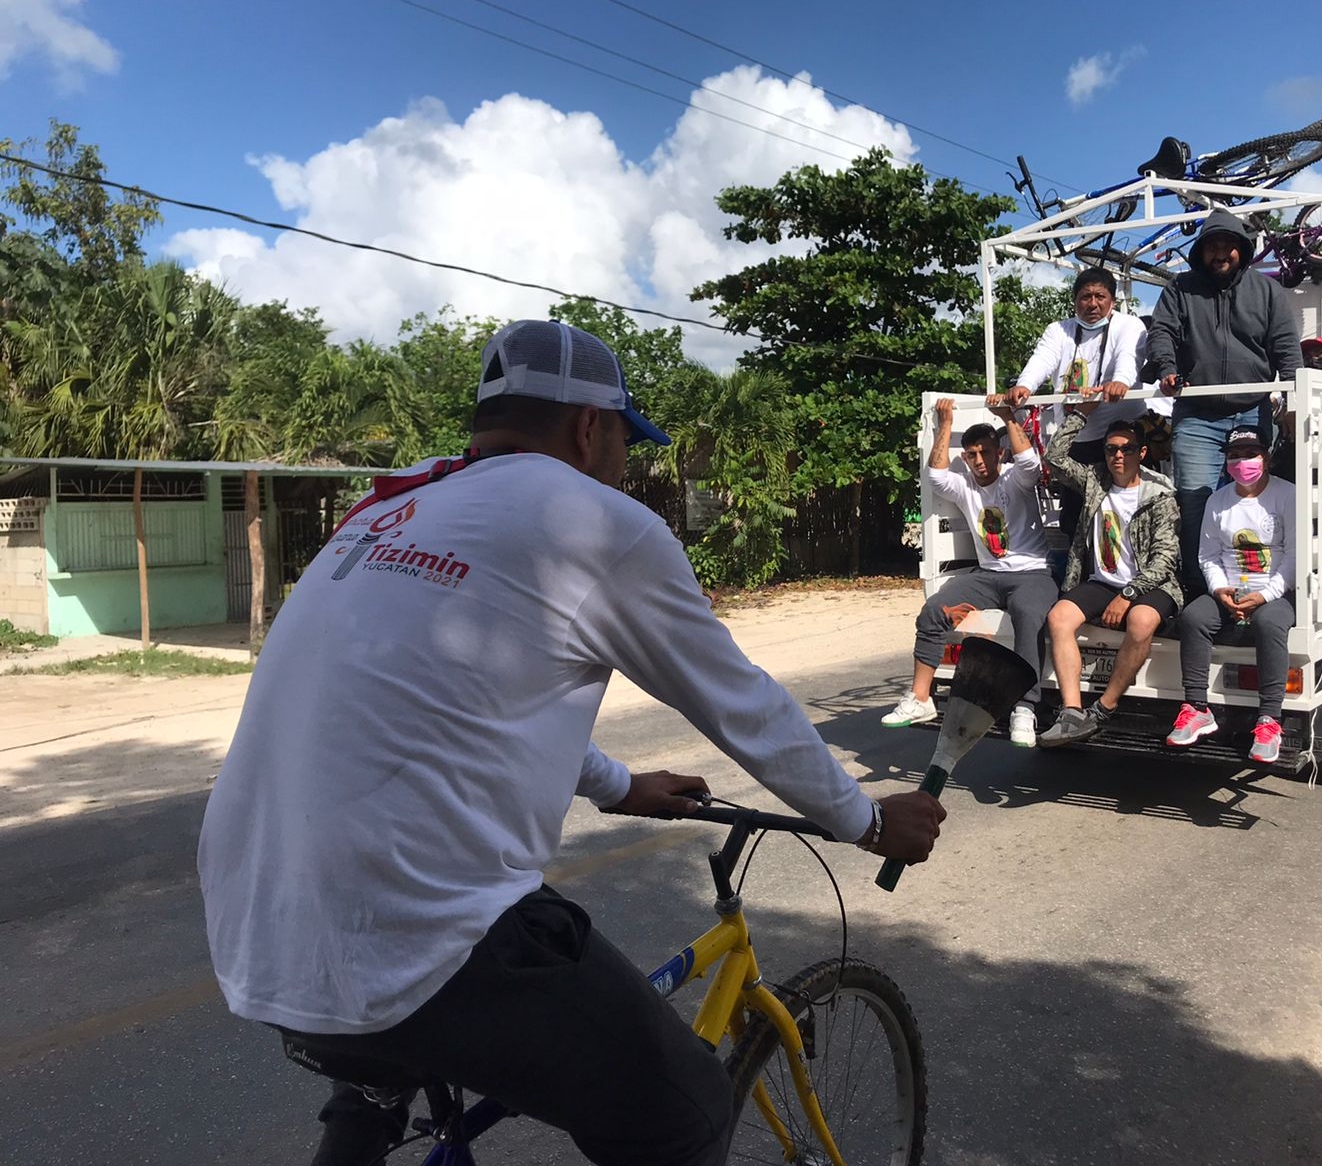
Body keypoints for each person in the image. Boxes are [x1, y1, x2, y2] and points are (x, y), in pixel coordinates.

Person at [197, 319, 947, 1166]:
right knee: (688, 1111)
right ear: (590, 428)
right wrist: (869, 822)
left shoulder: (390, 510)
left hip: (258, 916)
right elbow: (743, 704)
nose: (627, 460)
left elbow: (461, 707)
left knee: (378, 1078)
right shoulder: (596, 521)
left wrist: (619, 784)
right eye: (627, 437)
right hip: (417, 925)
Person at [882, 398, 1058, 748]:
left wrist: (1007, 416)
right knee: (934, 609)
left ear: (999, 453)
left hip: (1032, 573)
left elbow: (1030, 461)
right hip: (988, 576)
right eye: (973, 454)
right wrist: (946, 423)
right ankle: (920, 698)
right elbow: (933, 474)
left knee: (1028, 614)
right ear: (966, 457)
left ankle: (1024, 707)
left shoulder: (1016, 480)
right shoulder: (964, 485)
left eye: (986, 452)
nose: (980, 461)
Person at [1144, 209, 1302, 597]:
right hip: (1197, 416)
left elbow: (1286, 348)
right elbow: (1161, 331)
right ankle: (1204, 595)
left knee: (1252, 506)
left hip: (1252, 409)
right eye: (1212, 247)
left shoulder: (1267, 292)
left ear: (1242, 251)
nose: (1220, 254)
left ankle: (1258, 590)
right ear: (1200, 252)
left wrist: (1298, 402)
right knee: (1197, 503)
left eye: (1228, 247)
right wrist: (1166, 367)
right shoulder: (1180, 289)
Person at [1036, 405, 1183, 747]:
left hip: (1150, 584)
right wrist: (1080, 415)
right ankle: (1072, 713)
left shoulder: (1159, 493)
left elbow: (1165, 559)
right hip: (1102, 581)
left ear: (1142, 452)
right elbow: (1054, 458)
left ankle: (1103, 709)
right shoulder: (1094, 480)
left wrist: (1129, 594)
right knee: (1059, 618)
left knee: (1142, 622)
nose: (1118, 455)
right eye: (1111, 448)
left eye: (1127, 448)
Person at [1166, 427, 1297, 765]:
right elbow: (1208, 555)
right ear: (1225, 461)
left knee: (1269, 625)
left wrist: (1266, 595)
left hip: (1274, 591)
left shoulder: (1287, 495)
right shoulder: (1218, 500)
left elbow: (1296, 555)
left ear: (1265, 458)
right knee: (1194, 617)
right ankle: (1196, 708)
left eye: (1250, 454)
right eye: (1235, 455)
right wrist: (1218, 589)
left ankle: (1269, 720)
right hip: (1229, 589)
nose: (1243, 462)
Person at [992, 266, 1147, 464]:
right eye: (1085, 297)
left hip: (1122, 442)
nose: (1092, 304)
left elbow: (1128, 357)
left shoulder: (1128, 324)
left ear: (1113, 302)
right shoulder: (1058, 330)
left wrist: (1120, 381)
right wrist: (1025, 386)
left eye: (1100, 296)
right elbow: (1042, 359)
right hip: (1074, 440)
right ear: (1074, 301)